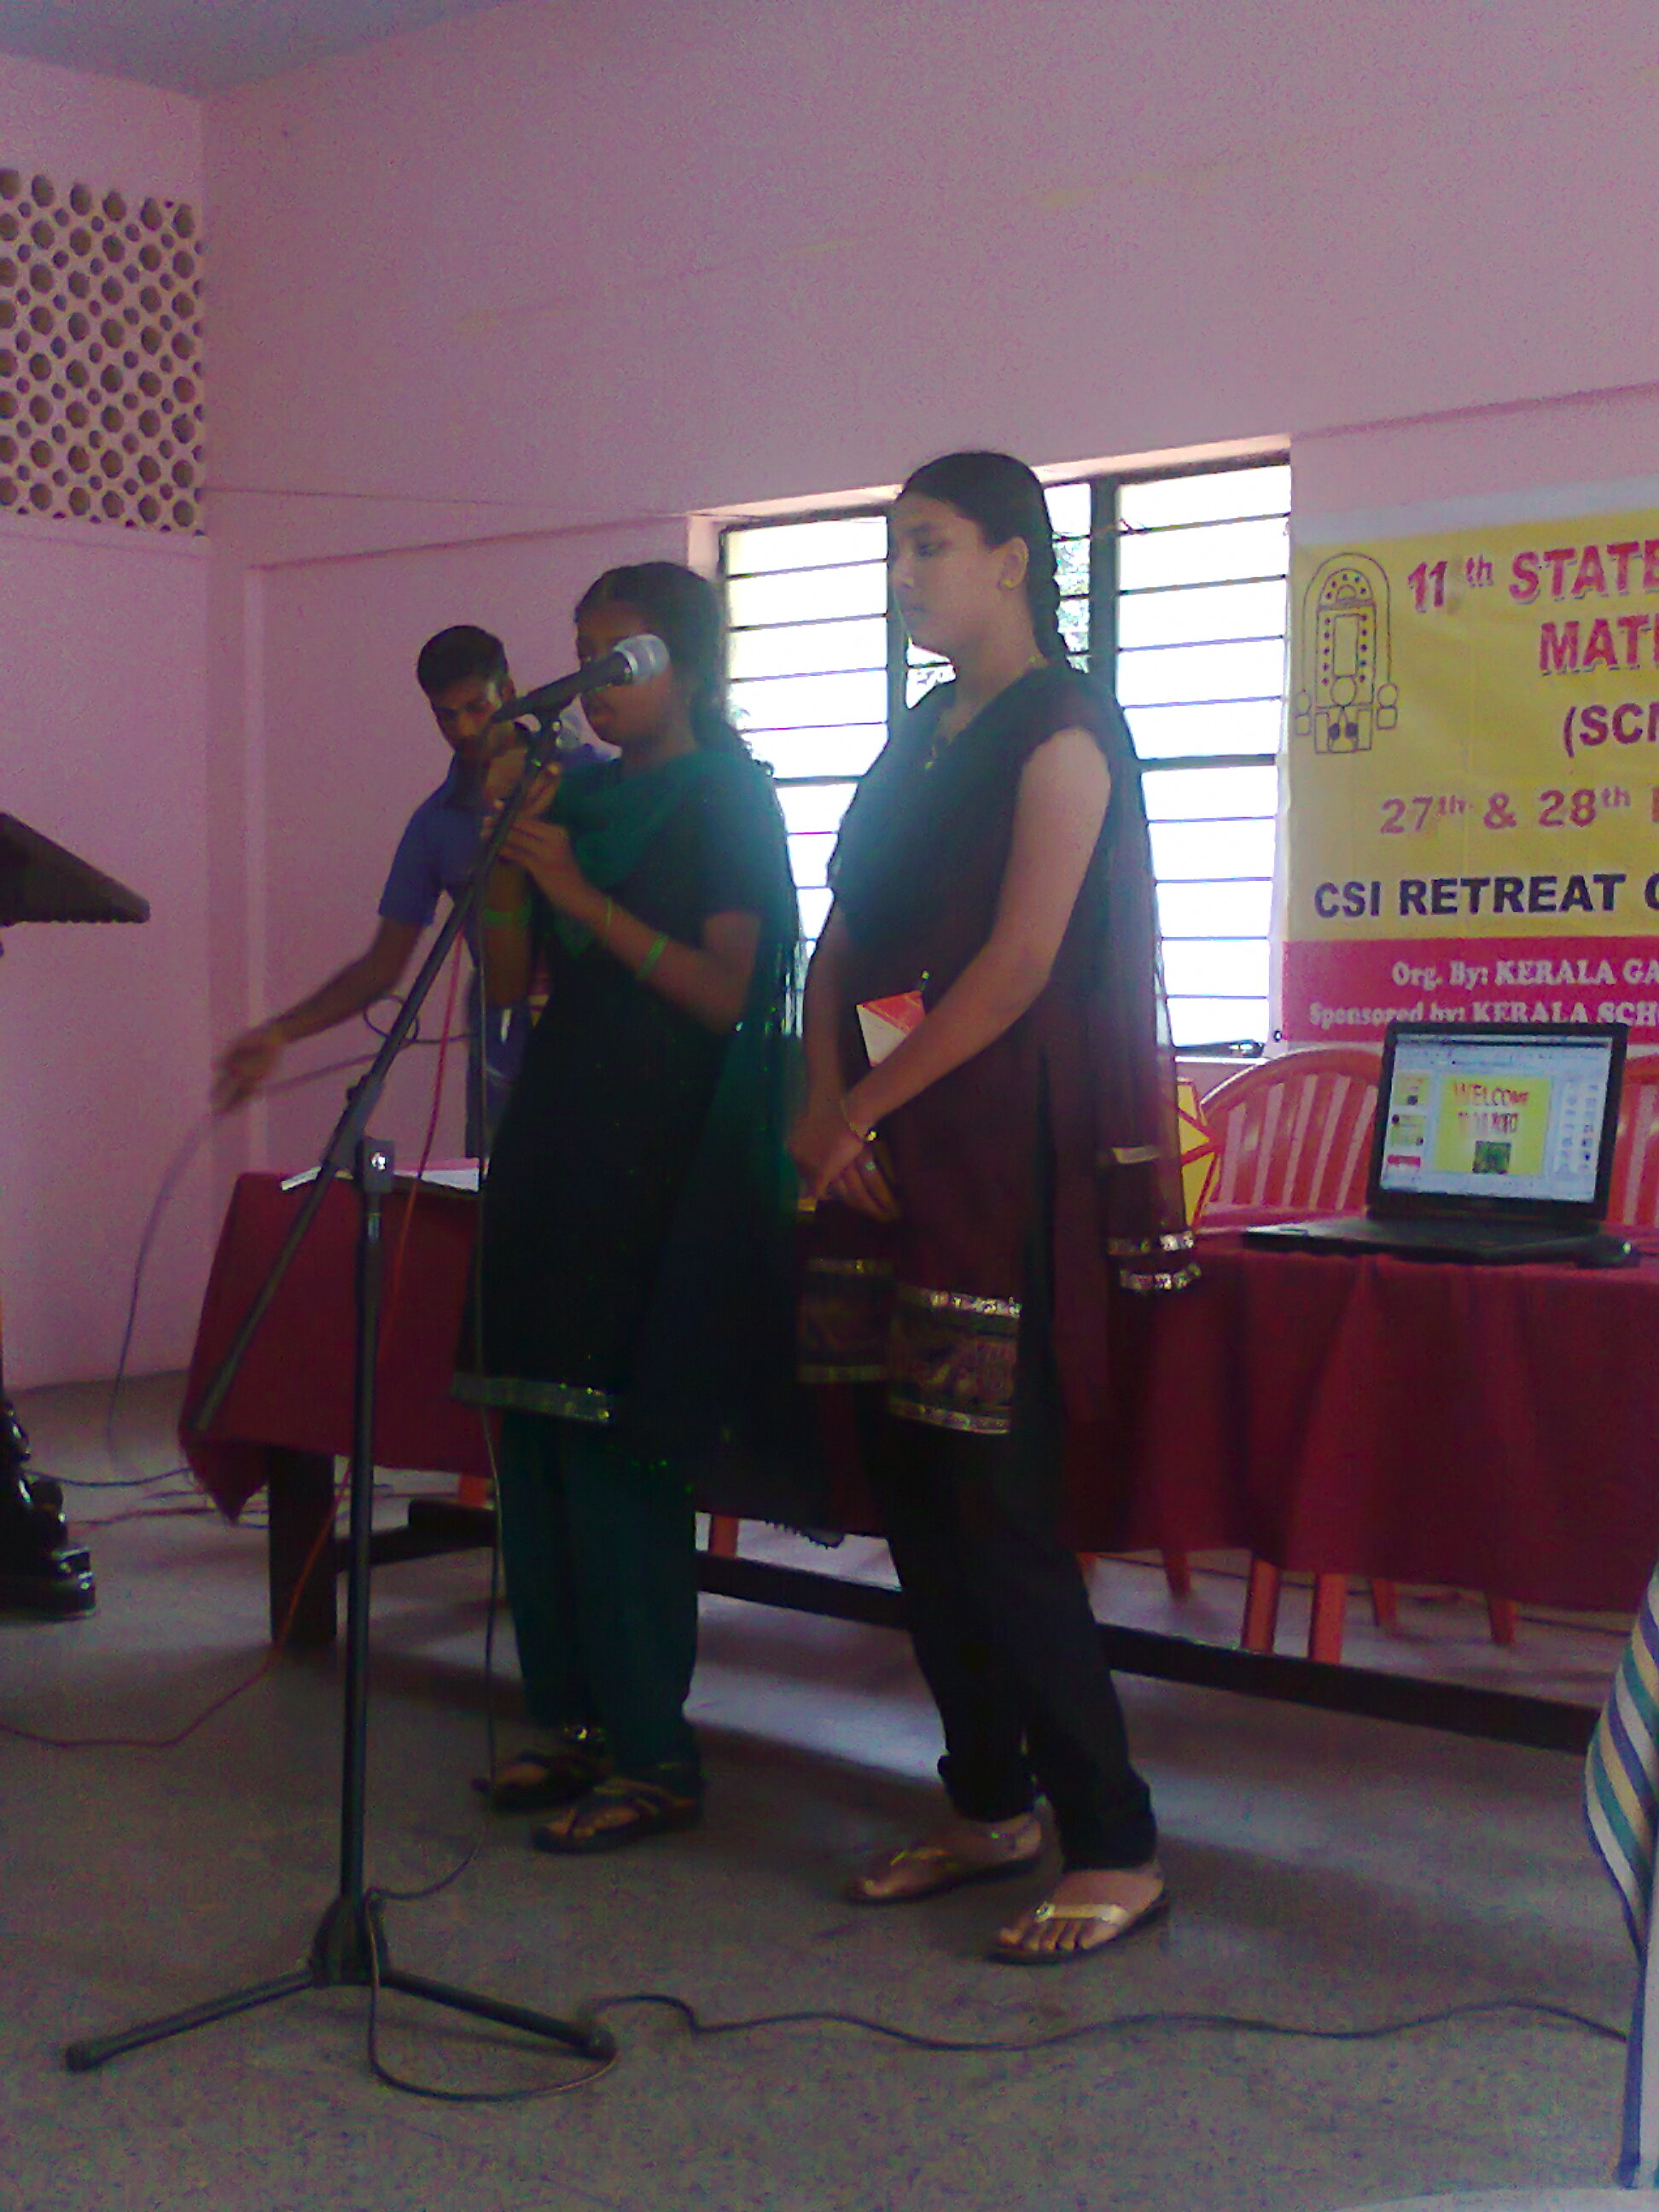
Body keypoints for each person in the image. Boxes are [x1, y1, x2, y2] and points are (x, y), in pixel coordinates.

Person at [789, 451, 1196, 1965]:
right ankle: (985, 1805)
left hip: (987, 1168)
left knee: (998, 1510)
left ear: (1013, 558)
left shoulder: (1064, 731)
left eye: (930, 546)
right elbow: (839, 937)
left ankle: (1115, 1840)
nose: (904, 575)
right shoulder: (917, 737)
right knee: (910, 1492)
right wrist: (818, 1100)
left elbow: (1018, 967)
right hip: (875, 1151)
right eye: (895, 549)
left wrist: (859, 1109)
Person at [457, 561, 802, 1853]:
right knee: (534, 1442)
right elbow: (506, 981)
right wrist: (508, 853)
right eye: (584, 652)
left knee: (617, 1451)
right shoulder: (580, 798)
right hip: (556, 1134)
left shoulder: (730, 798)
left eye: (625, 656)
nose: (596, 682)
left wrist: (579, 895)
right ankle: (571, 1725)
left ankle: (655, 1751)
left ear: (693, 669)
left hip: (665, 1155)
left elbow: (727, 993)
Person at [212, 624, 562, 1152]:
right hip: (502, 1042)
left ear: (510, 693)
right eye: (446, 716)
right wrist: (279, 1033)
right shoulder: (434, 824)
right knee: (502, 1195)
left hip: (594, 1026)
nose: (464, 729)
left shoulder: (580, 775)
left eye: (477, 707)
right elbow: (382, 966)